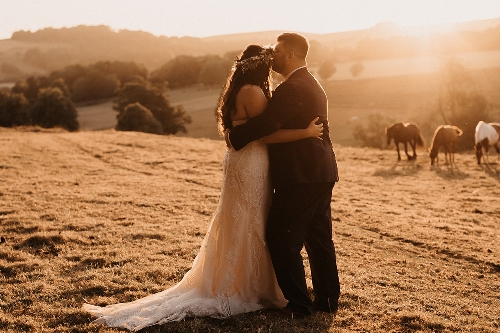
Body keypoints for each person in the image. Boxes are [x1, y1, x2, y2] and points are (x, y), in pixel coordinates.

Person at [83, 44, 323, 331]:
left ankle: (241, 279)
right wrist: (306, 133)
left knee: (241, 218)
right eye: (269, 62)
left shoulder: (239, 89)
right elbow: (265, 134)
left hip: (240, 161)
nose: (272, 68)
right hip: (252, 161)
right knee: (252, 219)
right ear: (260, 66)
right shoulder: (254, 92)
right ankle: (247, 285)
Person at [227, 32, 341, 317]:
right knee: (318, 238)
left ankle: (300, 305)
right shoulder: (312, 83)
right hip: (321, 171)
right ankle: (326, 300)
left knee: (281, 238)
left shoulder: (291, 88)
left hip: (300, 174)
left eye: (277, 51)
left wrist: (235, 135)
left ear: (290, 54)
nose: (272, 55)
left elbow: (266, 124)